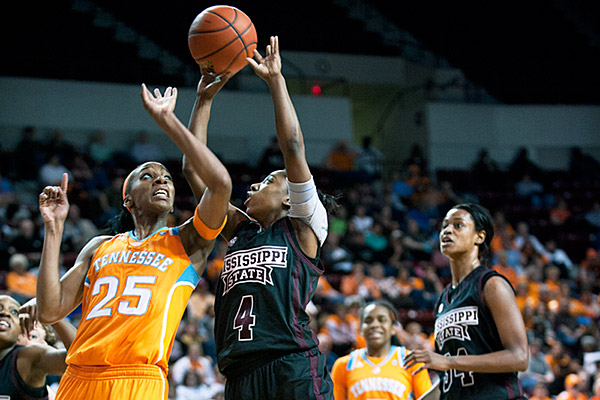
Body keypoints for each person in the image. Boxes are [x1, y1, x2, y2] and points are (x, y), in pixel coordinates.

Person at [34, 83, 232, 399]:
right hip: (78, 378)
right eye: (147, 176)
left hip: (139, 380)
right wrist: (53, 228)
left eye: (166, 177)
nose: (161, 180)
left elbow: (219, 184)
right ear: (128, 199)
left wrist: (169, 119)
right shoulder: (99, 246)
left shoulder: (187, 242)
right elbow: (49, 311)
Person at [183, 36, 335, 399]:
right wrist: (203, 100)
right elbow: (193, 169)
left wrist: (276, 81)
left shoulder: (303, 227)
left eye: (268, 181)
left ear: (288, 197)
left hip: (291, 365)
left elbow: (293, 147)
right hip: (240, 373)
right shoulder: (240, 230)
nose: (253, 185)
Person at [403, 203, 529, 399]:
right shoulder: (444, 299)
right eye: (444, 226)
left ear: (480, 236)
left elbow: (519, 357)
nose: (447, 231)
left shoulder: (491, 285)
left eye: (458, 225)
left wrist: (450, 362)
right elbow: (449, 381)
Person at [331, 300, 433, 400]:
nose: (375, 325)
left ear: (393, 328)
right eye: (368, 321)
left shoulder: (411, 360)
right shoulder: (344, 364)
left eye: (382, 320)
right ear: (361, 329)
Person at [0, 296, 76, 399]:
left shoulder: (28, 358)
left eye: (14, 312)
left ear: (20, 330)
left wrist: (52, 315)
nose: (5, 313)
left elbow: (84, 358)